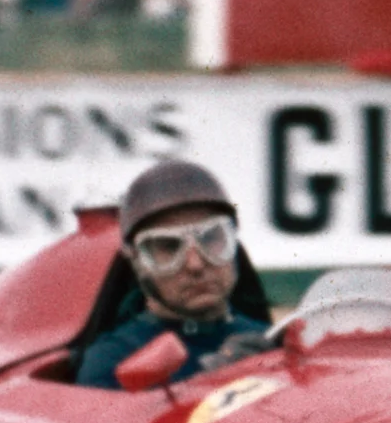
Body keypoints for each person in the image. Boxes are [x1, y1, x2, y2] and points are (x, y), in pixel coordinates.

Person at [74, 159, 276, 387]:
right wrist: (210, 384)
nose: (195, 265)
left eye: (210, 238)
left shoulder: (271, 341)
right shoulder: (111, 362)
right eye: (169, 247)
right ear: (138, 263)